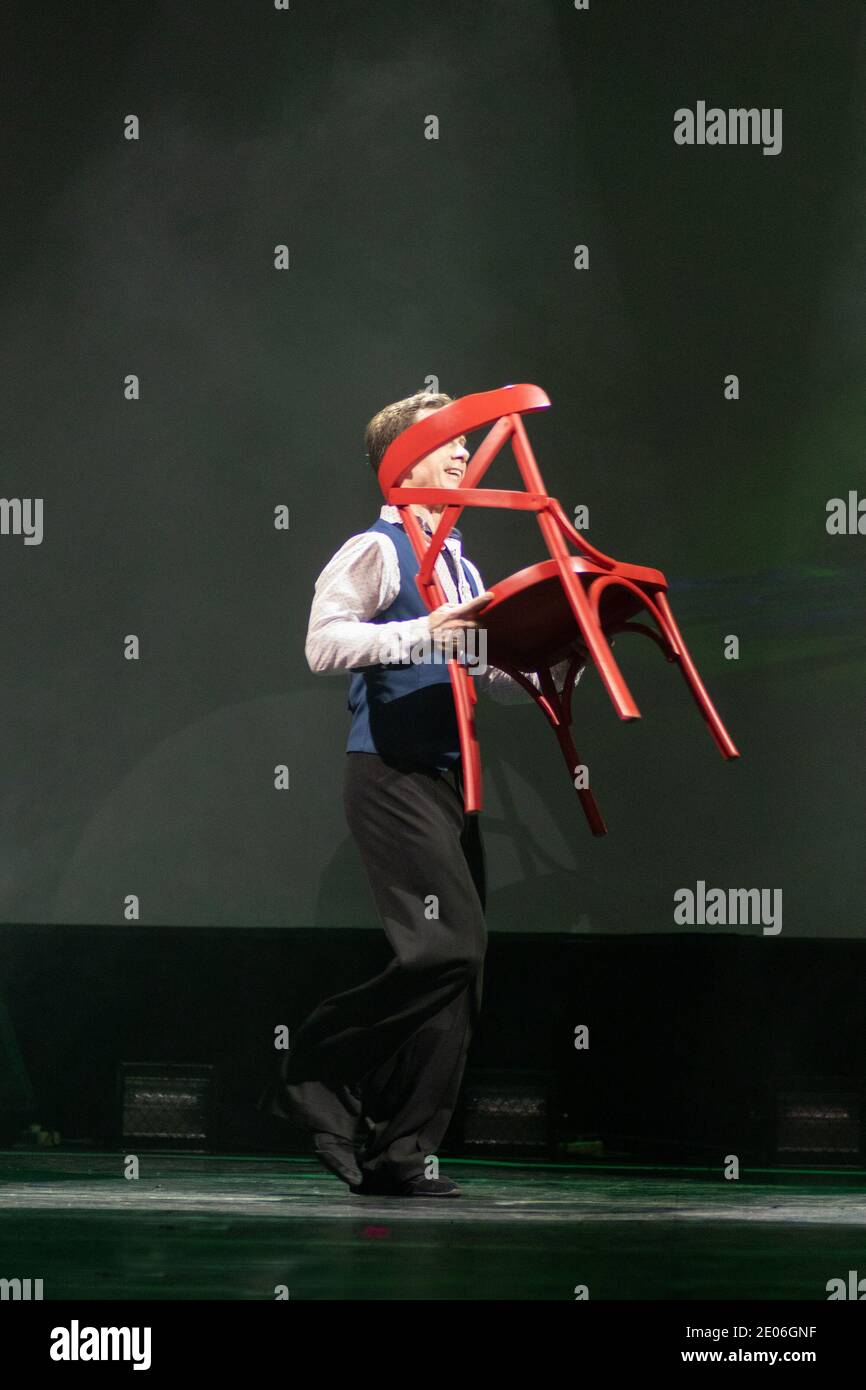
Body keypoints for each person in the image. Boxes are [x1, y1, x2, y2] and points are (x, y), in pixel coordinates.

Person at [257, 389, 578, 1197]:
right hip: (390, 774)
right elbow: (323, 645)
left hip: (446, 780)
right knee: (446, 950)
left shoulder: (462, 561)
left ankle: (399, 1154)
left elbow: (480, 668)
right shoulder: (377, 551)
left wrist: (541, 661)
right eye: (446, 443)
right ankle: (314, 1068)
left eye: (468, 442)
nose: (465, 454)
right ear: (403, 462)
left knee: (461, 977)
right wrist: (419, 633)